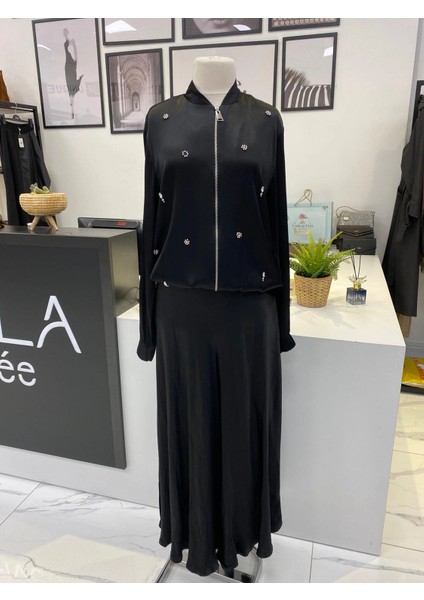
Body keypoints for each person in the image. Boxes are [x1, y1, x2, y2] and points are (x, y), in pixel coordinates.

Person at [138, 56, 295, 578]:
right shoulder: (160, 119)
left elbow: (276, 223)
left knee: (244, 426)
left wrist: (282, 324)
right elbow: (152, 221)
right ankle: (192, 535)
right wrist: (148, 328)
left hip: (250, 309)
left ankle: (242, 535)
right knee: (190, 424)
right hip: (180, 309)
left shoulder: (266, 119)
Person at [63, 28, 83, 119]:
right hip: (70, 69)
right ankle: (72, 112)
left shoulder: (71, 46)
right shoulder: (70, 48)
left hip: (70, 69)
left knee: (71, 92)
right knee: (71, 92)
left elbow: (70, 49)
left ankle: (72, 112)